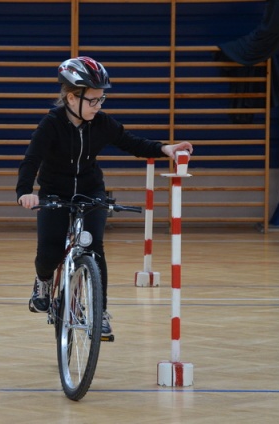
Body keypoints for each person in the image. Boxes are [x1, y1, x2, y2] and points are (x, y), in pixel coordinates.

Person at [16, 56, 193, 337]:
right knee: (49, 252)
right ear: (72, 98)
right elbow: (31, 159)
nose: (98, 105)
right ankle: (43, 281)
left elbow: (131, 142)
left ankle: (99, 313)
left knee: (94, 250)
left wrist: (164, 149)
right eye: (93, 100)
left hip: (91, 190)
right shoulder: (51, 125)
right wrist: (25, 192)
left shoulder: (101, 123)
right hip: (54, 191)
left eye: (101, 99)